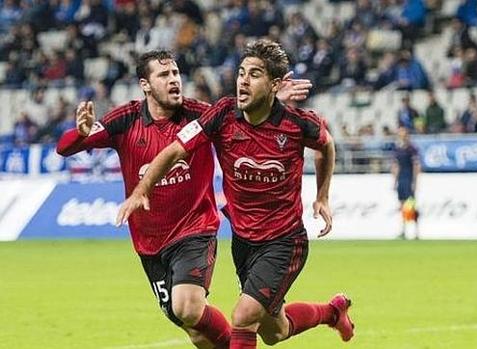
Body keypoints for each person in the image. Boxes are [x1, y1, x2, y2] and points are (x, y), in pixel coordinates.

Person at [56, 49, 312, 348]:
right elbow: (64, 148)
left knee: (187, 307)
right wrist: (81, 133)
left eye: (176, 73)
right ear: (145, 84)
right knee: (197, 332)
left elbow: (247, 117)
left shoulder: (202, 113)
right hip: (149, 243)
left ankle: (242, 337)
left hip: (195, 230)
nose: (174, 79)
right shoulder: (125, 119)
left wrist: (273, 99)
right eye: (164, 75)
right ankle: (325, 314)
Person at [117, 39, 354, 349]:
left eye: (254, 74)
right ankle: (332, 312)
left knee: (243, 318)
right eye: (242, 72)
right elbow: (175, 149)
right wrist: (141, 190)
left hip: (284, 241)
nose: (243, 80)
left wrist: (322, 195)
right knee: (274, 331)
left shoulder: (297, 124)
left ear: (274, 84)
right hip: (244, 242)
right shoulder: (223, 115)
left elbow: (326, 145)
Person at [392, 126, 421, 239]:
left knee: (411, 206)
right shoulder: (398, 148)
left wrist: (415, 181)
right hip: (401, 179)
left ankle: (416, 231)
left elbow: (416, 165)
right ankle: (403, 230)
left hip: (409, 178)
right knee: (402, 205)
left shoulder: (411, 148)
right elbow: (396, 166)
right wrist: (395, 181)